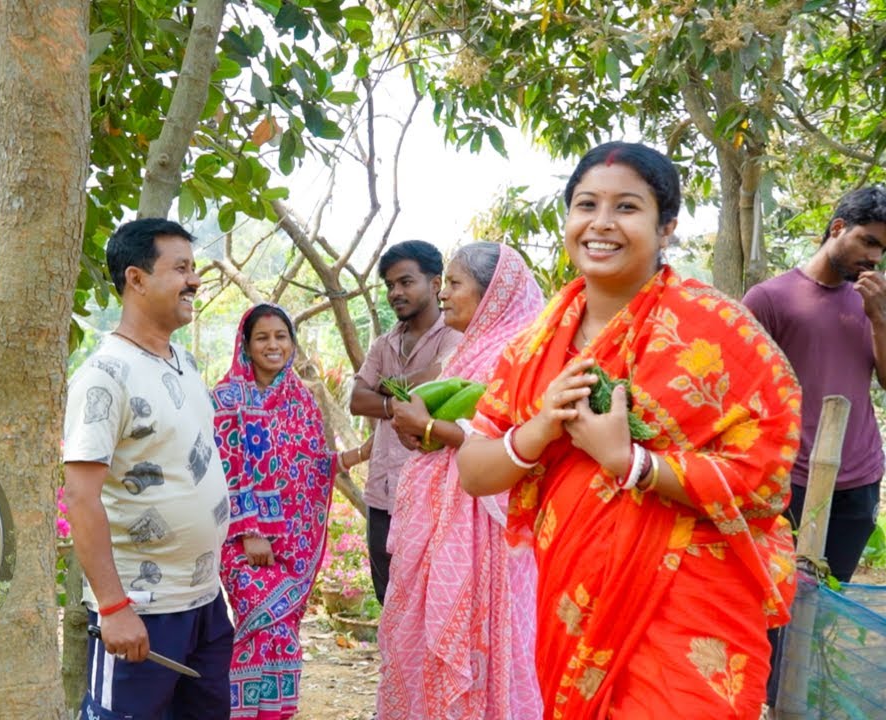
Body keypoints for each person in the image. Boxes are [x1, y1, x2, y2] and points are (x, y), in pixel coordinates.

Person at [456, 142, 801, 718]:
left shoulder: (716, 332)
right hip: (576, 600)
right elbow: (474, 471)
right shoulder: (534, 349)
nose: (602, 224)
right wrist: (540, 428)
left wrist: (634, 464)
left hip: (689, 601)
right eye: (586, 204)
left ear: (665, 228)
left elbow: (764, 473)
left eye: (627, 208)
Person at [62, 218, 233, 719]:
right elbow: (82, 497)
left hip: (203, 602)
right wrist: (114, 609)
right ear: (136, 279)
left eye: (194, 268)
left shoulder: (185, 361)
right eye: (181, 268)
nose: (195, 281)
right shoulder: (103, 376)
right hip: (142, 610)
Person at [377, 242, 544, 719]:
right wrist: (422, 430)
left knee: (487, 643)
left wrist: (430, 428)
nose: (442, 294)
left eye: (453, 284)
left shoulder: (518, 353)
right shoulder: (470, 352)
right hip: (450, 523)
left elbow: (522, 441)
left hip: (488, 533)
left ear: (492, 293)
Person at [211, 303, 371, 720]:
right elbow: (225, 468)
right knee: (262, 630)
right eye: (262, 337)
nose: (273, 345)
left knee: (284, 638)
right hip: (242, 544)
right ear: (245, 345)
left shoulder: (301, 399)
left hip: (293, 550)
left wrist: (359, 454)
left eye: (281, 336)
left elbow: (314, 463)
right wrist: (249, 530)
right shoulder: (227, 399)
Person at [743, 186, 886, 584]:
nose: (874, 257)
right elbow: (740, 390)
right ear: (837, 227)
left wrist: (879, 317)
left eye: (882, 250)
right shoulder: (770, 299)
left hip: (859, 481)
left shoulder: (876, 301)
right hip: (788, 479)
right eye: (868, 241)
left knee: (827, 603)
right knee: (775, 601)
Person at [349, 240, 462, 603]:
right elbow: (356, 400)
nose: (396, 292)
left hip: (433, 497)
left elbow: (439, 384)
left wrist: (385, 389)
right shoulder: (385, 343)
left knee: (430, 602)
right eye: (390, 285)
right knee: (389, 599)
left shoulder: (457, 335)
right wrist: (405, 395)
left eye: (405, 282)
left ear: (434, 283)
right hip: (383, 493)